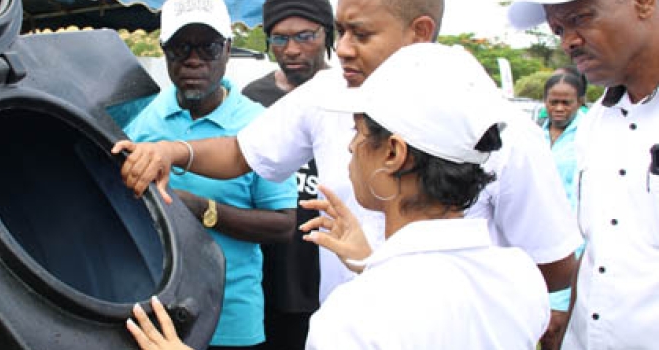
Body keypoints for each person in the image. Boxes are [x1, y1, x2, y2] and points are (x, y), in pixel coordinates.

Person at [113, 0, 580, 302]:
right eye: (340, 32)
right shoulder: (328, 92)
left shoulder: (501, 130)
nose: (345, 50)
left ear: (419, 32)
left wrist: (461, 312)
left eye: (362, 34)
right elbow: (242, 152)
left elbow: (555, 267)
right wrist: (172, 151)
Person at [125, 43, 551, 350]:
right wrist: (370, 264)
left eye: (359, 132)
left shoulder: (356, 313)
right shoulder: (520, 277)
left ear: (393, 153)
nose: (349, 147)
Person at [123, 0, 298, 348]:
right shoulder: (139, 122)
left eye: (208, 46)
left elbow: (283, 224)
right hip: (152, 321)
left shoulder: (259, 125)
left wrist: (200, 210)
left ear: (229, 49)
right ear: (164, 50)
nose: (193, 59)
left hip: (231, 324)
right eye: (181, 47)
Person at [509, 0, 659, 348]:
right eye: (558, 29)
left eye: (580, 18)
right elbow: (597, 252)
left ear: (645, 3)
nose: (568, 42)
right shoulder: (594, 126)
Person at [240, 0, 334, 349]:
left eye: (305, 36)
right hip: (267, 277)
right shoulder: (254, 99)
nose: (292, 50)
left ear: (328, 34)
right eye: (279, 39)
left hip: (329, 272)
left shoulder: (349, 96)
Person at [537, 72, 587, 350]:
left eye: (566, 103)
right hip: (536, 242)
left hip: (571, 246)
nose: (558, 108)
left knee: (555, 328)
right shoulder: (536, 133)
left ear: (580, 102)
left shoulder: (588, 135)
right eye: (553, 102)